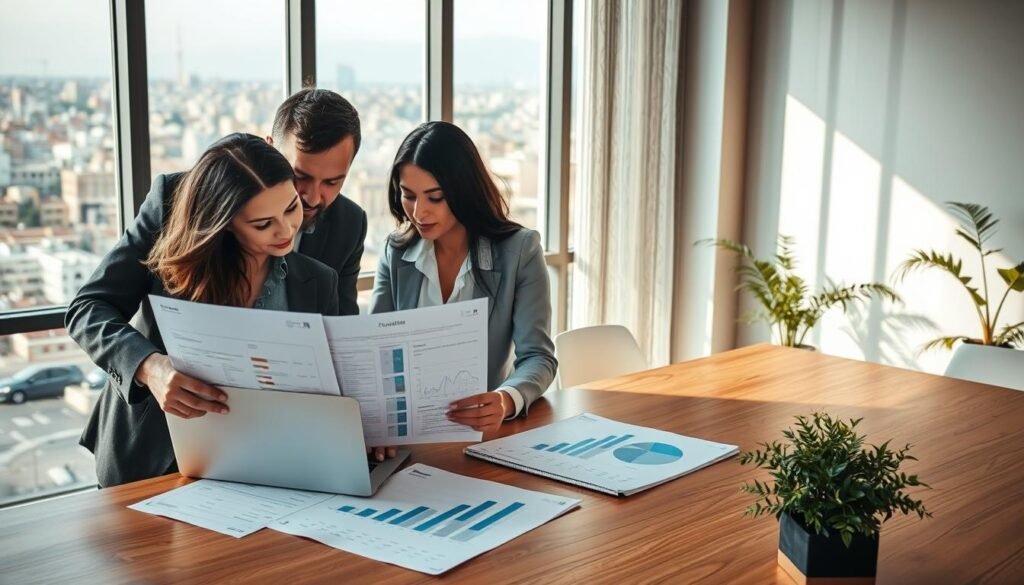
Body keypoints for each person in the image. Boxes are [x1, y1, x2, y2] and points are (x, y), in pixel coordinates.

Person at [68, 133, 341, 487]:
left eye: (291, 208)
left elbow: (332, 386)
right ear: (224, 222)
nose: (286, 229)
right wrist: (150, 368)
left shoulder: (319, 281)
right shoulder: (171, 210)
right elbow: (88, 308)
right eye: (262, 224)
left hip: (261, 471)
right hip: (152, 460)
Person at [371, 121, 557, 439]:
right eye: (408, 195)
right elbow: (377, 351)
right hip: (407, 435)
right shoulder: (396, 253)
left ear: (463, 191)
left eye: (435, 197)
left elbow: (537, 356)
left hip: (482, 434)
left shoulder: (520, 251)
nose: (419, 212)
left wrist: (505, 399)